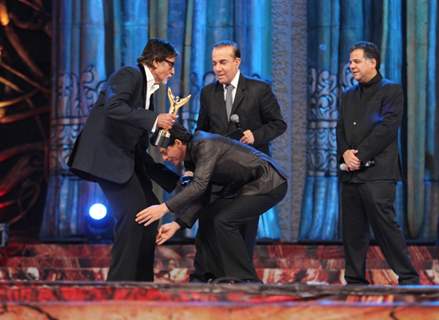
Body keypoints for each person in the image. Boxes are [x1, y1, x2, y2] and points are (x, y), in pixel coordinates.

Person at [68, 39, 180, 282]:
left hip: (125, 160)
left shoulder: (148, 92)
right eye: (170, 65)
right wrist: (154, 119)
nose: (172, 71)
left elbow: (138, 146)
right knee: (133, 214)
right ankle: (120, 284)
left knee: (149, 213)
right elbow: (114, 107)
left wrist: (174, 180)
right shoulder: (129, 74)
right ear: (156, 62)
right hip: (107, 159)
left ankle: (141, 282)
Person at [135, 123, 288, 283]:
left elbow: (199, 186)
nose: (165, 158)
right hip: (246, 187)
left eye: (165, 152)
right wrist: (177, 224)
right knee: (209, 215)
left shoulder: (204, 145)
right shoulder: (193, 154)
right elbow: (203, 193)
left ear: (179, 143)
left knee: (223, 220)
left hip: (269, 182)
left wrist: (163, 208)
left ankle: (246, 280)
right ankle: (207, 275)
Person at [194, 40, 287, 281]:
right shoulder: (208, 93)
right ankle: (210, 276)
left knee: (241, 228)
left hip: (250, 176)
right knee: (209, 224)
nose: (217, 68)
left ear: (237, 62)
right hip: (218, 172)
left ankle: (240, 280)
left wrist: (256, 136)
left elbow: (278, 124)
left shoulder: (258, 90)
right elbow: (201, 130)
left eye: (223, 62)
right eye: (214, 63)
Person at [336, 41, 419, 285]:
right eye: (350, 61)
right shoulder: (348, 95)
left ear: (373, 62)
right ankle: (354, 279)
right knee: (352, 230)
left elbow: (387, 128)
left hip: (378, 172)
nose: (351, 66)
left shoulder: (391, 90)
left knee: (385, 226)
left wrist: (359, 155)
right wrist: (345, 154)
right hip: (350, 172)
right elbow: (340, 128)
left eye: (356, 61)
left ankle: (408, 276)